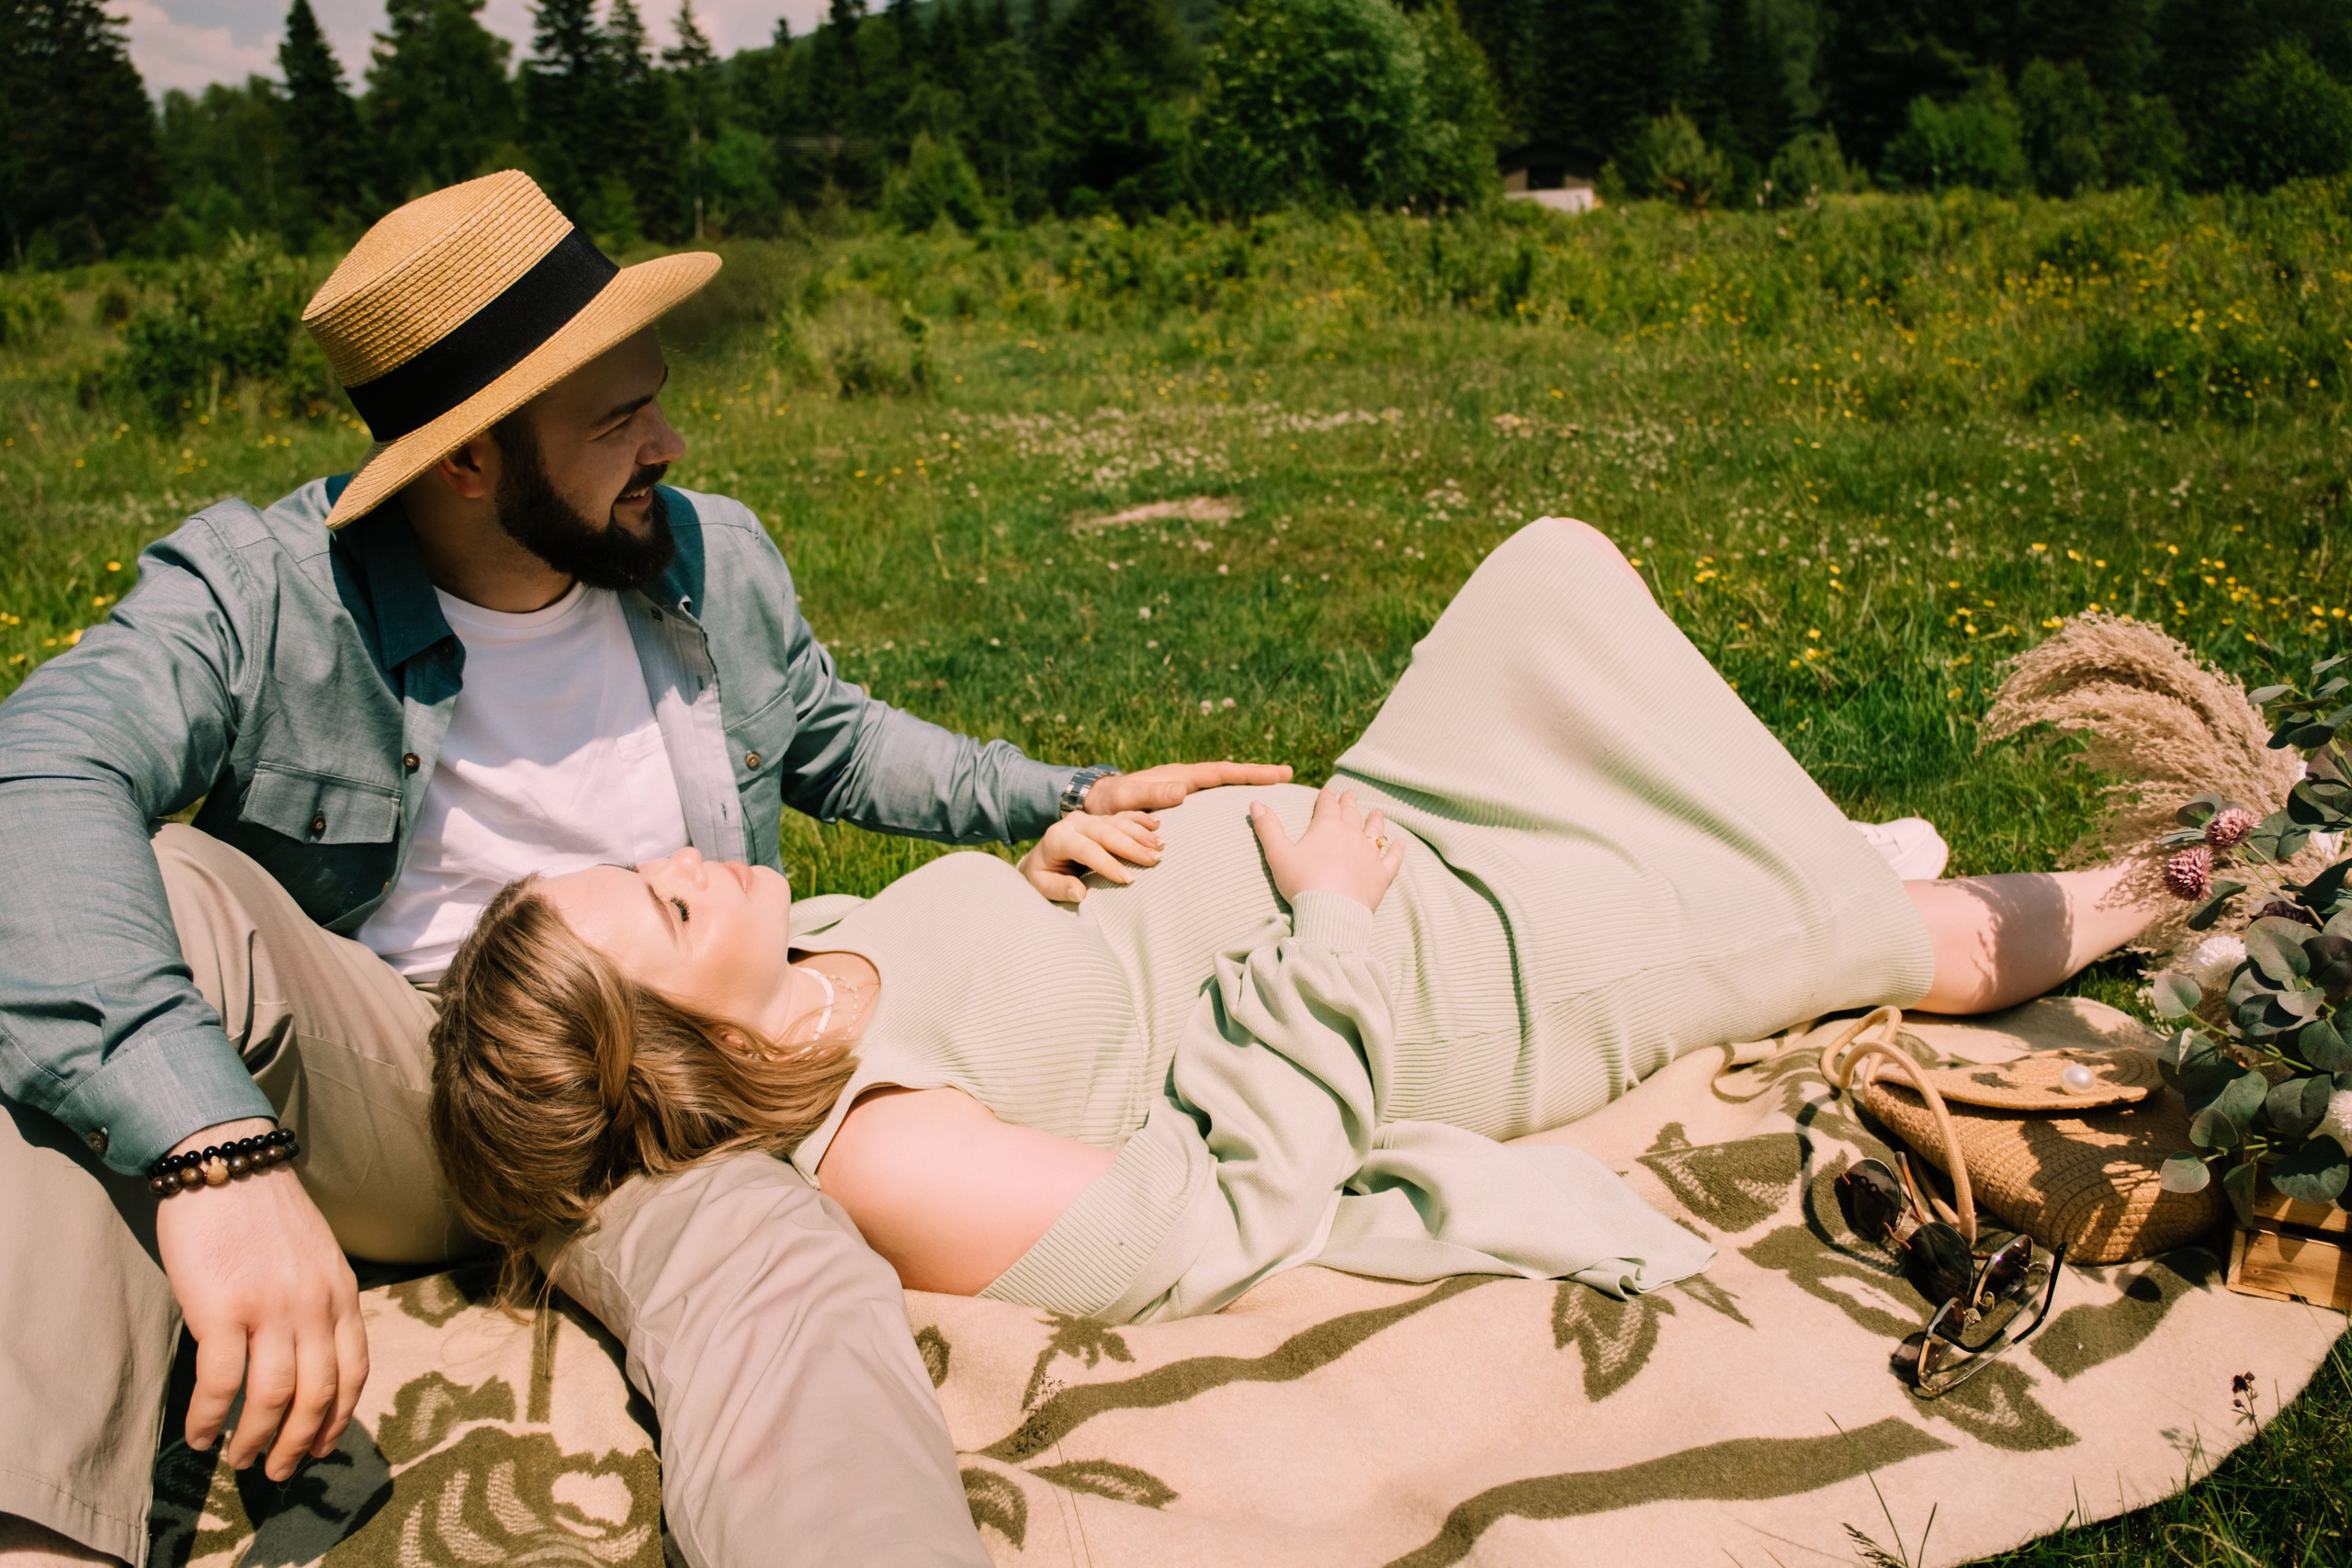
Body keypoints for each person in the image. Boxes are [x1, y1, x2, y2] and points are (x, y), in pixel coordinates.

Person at [0, 170, 1285, 1568]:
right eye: (618, 418)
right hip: (408, 1084)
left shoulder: (703, 555)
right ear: (467, 462)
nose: (670, 440)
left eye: (654, 394)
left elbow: (833, 738)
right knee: (139, 913)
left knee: (786, 1278)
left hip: (665, 1074)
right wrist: (214, 1155)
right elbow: (37, 778)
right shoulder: (259, 595)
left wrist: (1062, 791)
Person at [427, 518, 2165, 1325]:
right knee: (1869, 930)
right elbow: (1199, 1224)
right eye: (663, 900)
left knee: (1555, 580)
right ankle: (2190, 873)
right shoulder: (881, 1154)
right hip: (1439, 965)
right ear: (671, 1046)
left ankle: (1778, 854)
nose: (698, 854)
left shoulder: (803, 960)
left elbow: (1019, 981)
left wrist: (1043, 876)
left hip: (1370, 836)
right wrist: (1327, 921)